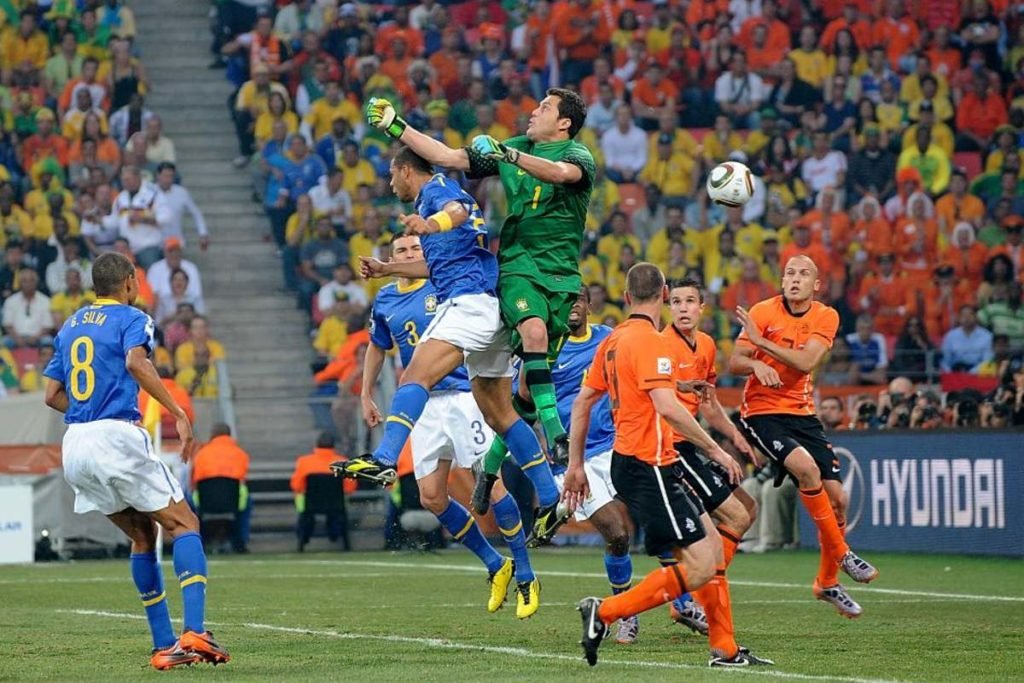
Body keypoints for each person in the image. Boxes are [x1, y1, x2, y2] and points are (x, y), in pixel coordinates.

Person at [366, 90, 594, 542]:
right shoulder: (513, 149)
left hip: (551, 276)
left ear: (564, 123)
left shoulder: (574, 154)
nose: (534, 110)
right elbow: (450, 155)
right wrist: (397, 125)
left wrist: (506, 156)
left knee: (452, 384)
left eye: (545, 108)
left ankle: (388, 459)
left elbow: (557, 174)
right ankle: (545, 491)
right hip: (512, 273)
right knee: (504, 404)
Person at [338, 148, 559, 599]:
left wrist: (430, 224)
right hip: (484, 309)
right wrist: (388, 269)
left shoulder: (438, 191)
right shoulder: (401, 276)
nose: (390, 184)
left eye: (392, 175)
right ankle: (547, 495)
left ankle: (384, 460)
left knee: (413, 377)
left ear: (404, 170)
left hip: (468, 309)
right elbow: (440, 259)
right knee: (493, 424)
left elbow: (457, 211)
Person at [564, 263, 771, 668]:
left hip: (641, 463)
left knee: (712, 550)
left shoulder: (613, 341)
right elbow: (667, 409)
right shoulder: (652, 342)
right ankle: (605, 612)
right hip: (648, 465)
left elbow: (583, 401)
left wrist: (575, 464)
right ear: (662, 295)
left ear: (626, 298)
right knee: (698, 565)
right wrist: (716, 449)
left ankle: (725, 648)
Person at [41, 252, 229, 670]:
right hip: (116, 435)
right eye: (136, 281)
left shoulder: (70, 326)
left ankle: (164, 646)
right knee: (185, 524)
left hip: (76, 444)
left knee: (143, 535)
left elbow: (51, 395)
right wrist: (178, 413)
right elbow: (135, 361)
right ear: (128, 282)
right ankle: (195, 630)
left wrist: (88, 412)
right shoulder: (132, 318)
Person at [358, 232, 540, 618]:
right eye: (401, 250)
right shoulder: (386, 298)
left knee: (489, 486)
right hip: (424, 407)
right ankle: (496, 565)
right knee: (431, 497)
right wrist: (365, 392)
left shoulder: (445, 285)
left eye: (414, 249)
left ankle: (526, 572)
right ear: (391, 257)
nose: (409, 254)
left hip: (462, 398)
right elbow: (378, 344)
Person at [546, 286, 706, 643]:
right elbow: (523, 400)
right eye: (564, 300)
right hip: (572, 459)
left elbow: (640, 372)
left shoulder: (608, 338)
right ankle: (624, 612)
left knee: (657, 523)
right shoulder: (544, 347)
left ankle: (683, 602)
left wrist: (679, 383)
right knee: (617, 535)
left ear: (589, 304)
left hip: (615, 448)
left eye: (578, 299)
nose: (571, 306)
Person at [729, 255, 879, 619]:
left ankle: (827, 582)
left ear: (817, 285)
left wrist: (760, 344)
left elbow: (806, 362)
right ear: (782, 281)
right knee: (807, 469)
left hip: (802, 414)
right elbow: (734, 361)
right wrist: (756, 362)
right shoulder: (764, 311)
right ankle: (843, 553)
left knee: (839, 499)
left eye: (804, 274)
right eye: (790, 273)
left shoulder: (826, 316)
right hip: (762, 412)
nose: (795, 279)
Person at [662, 278, 763, 634]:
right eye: (676, 301)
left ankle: (692, 595)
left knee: (748, 509)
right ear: (667, 307)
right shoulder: (662, 347)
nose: (683, 307)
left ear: (701, 307)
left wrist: (735, 436)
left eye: (690, 301)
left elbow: (710, 403)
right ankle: (694, 597)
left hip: (695, 442)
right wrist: (717, 450)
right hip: (671, 446)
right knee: (733, 515)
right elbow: (668, 405)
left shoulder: (705, 345)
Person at [190, 423, 251, 553]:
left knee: (189, 503)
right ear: (229, 435)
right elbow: (243, 480)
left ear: (212, 435)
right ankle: (240, 542)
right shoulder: (241, 454)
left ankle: (197, 541)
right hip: (232, 503)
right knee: (248, 503)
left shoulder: (201, 454)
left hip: (206, 503)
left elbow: (194, 480)